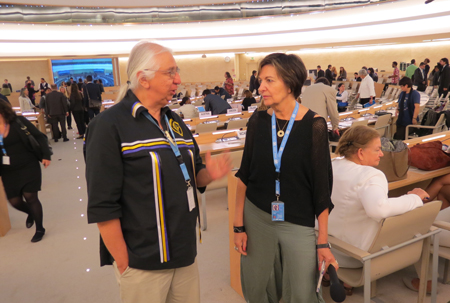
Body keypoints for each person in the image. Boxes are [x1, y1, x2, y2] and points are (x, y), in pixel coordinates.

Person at [85, 40, 231, 303]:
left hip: (184, 252)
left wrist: (209, 173)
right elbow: (102, 205)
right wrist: (123, 262)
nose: (179, 79)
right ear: (144, 79)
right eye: (170, 72)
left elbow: (194, 173)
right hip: (143, 261)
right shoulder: (109, 126)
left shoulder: (174, 121)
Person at [233, 52, 336, 303]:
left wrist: (322, 241)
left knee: (302, 291)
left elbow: (322, 189)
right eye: (261, 80)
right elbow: (244, 174)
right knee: (257, 287)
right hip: (256, 215)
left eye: (269, 81)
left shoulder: (315, 125)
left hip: (298, 219)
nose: (261, 87)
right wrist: (238, 226)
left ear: (290, 84)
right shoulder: (257, 121)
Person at [327, 125, 427, 293]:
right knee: (420, 227)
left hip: (327, 249)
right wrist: (415, 198)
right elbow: (379, 210)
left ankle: (335, 277)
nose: (382, 154)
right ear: (360, 153)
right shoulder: (371, 175)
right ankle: (425, 281)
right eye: (378, 150)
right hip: (356, 256)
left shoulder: (330, 165)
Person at [0, 100, 51, 242]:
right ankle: (31, 213)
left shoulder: (18, 122)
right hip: (7, 170)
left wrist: (46, 155)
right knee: (14, 201)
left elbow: (39, 136)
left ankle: (40, 228)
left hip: (28, 164)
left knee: (31, 197)